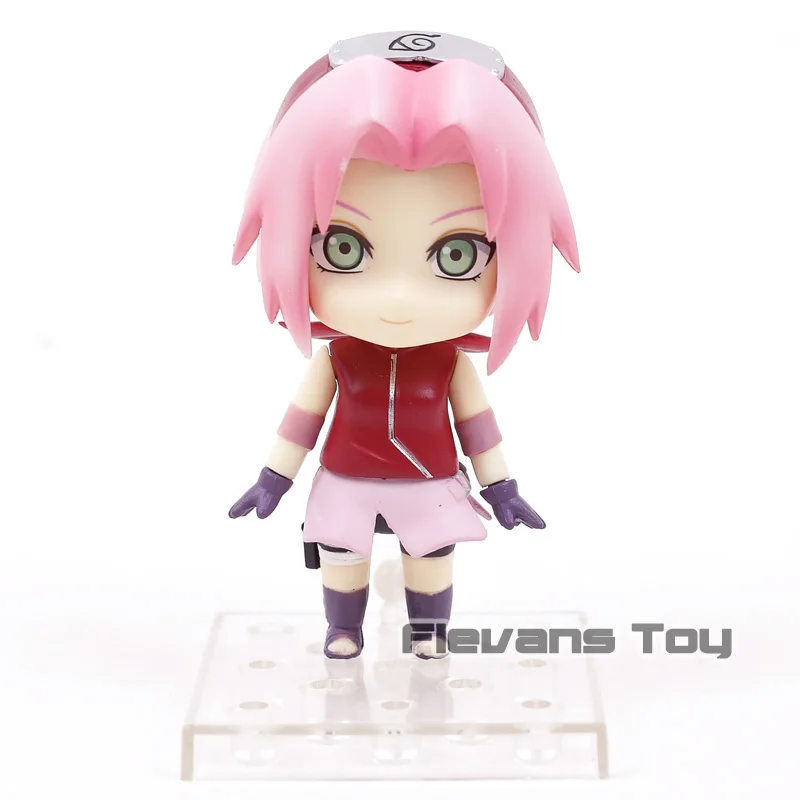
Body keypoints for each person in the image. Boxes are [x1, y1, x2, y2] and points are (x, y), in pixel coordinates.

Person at [228, 31, 579, 659]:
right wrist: (273, 478)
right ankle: (343, 627)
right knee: (341, 554)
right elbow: (301, 421)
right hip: (347, 478)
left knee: (432, 555)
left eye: (457, 255)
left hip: (429, 481)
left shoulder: (448, 364)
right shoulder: (338, 359)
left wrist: (500, 487)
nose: (398, 298)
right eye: (343, 248)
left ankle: (429, 631)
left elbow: (479, 428)